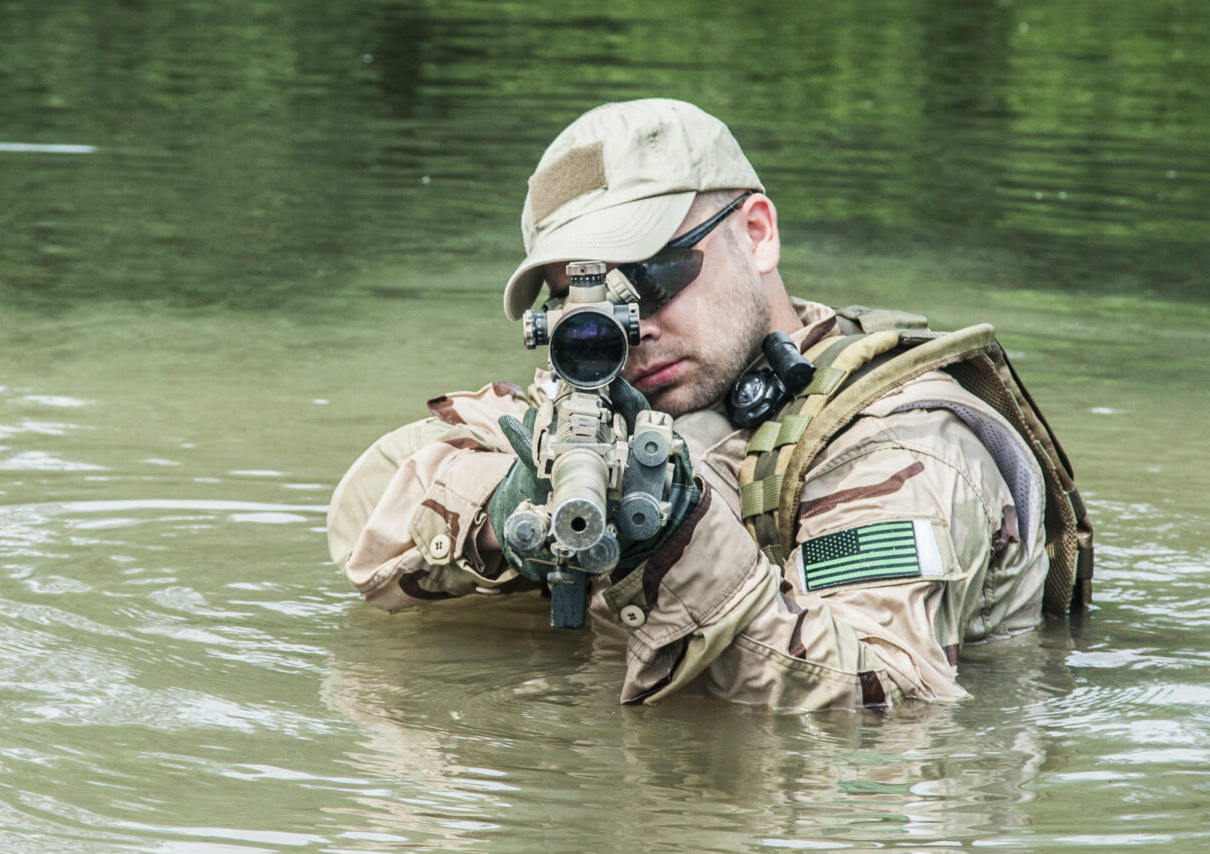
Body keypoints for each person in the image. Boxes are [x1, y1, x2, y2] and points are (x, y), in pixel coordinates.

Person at [326, 99, 1092, 710]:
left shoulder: (902, 444)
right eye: (583, 300)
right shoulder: (611, 396)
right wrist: (507, 518)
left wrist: (674, 542)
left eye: (654, 276)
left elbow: (883, 698)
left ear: (756, 235)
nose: (634, 328)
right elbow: (364, 511)